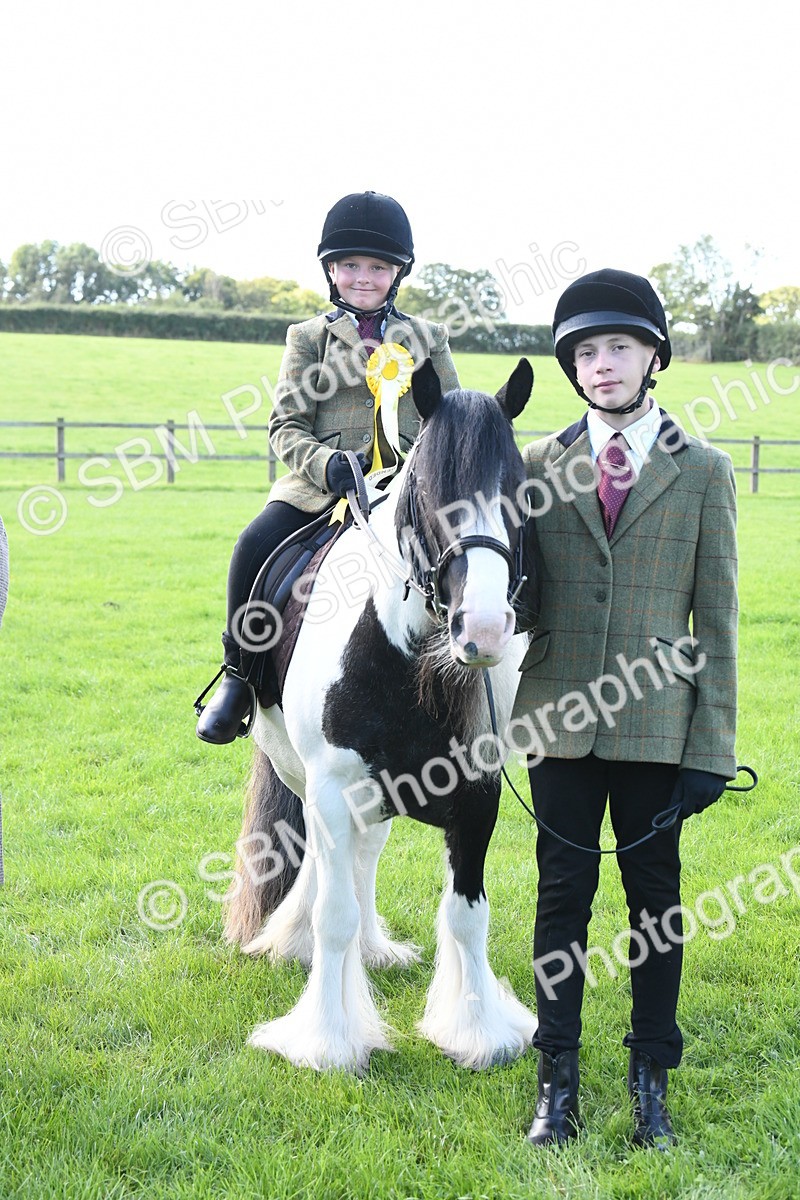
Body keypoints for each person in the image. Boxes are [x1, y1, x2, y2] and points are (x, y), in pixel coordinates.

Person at [513, 269, 738, 1149]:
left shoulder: (704, 470)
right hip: (557, 720)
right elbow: (511, 589)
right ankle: (555, 1083)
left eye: (618, 347)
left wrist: (711, 746)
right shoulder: (537, 464)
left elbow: (714, 618)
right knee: (561, 898)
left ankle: (652, 1082)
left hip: (656, 727)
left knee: (656, 905)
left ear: (653, 357)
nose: (600, 364)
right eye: (584, 351)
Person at [196, 191, 459, 743]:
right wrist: (327, 465)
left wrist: (420, 467)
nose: (364, 277)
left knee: (472, 552)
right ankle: (239, 676)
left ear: (397, 273)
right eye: (352, 266)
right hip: (319, 489)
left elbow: (450, 421)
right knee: (251, 544)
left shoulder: (428, 339)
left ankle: (481, 674)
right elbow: (284, 426)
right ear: (332, 270)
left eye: (378, 267)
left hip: (406, 486)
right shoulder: (308, 338)